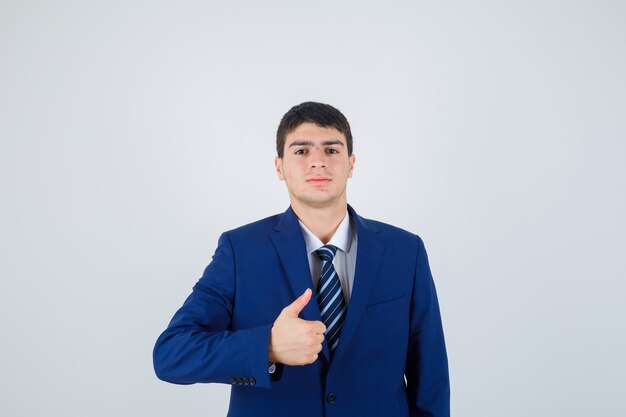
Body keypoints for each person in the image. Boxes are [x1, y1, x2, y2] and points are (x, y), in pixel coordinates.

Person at [153, 101, 450, 417]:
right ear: (279, 167)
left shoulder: (405, 251)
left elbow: (429, 378)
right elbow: (172, 354)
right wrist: (267, 347)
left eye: (332, 150)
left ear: (351, 164)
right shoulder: (240, 250)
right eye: (301, 151)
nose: (318, 162)